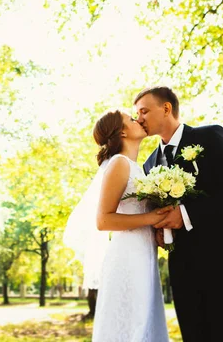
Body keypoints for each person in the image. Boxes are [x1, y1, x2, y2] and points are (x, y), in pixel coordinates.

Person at [134, 86, 223, 342]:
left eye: (144, 111)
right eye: (137, 114)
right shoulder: (149, 164)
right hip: (183, 268)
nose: (139, 118)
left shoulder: (211, 136)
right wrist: (160, 232)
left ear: (166, 108)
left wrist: (186, 214)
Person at [64, 110, 170, 342]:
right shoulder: (119, 164)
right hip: (127, 256)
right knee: (130, 324)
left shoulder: (137, 167)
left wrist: (159, 230)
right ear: (122, 131)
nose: (138, 120)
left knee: (144, 321)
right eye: (132, 119)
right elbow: (104, 220)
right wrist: (152, 219)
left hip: (144, 253)